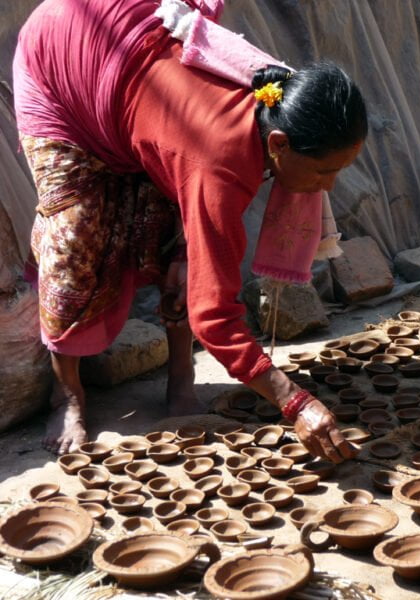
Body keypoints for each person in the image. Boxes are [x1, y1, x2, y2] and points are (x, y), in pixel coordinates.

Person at [13, 0, 368, 460]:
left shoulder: (279, 94)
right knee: (75, 240)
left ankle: (181, 377)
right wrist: (294, 401)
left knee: (179, 240)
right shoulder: (217, 166)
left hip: (144, 79)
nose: (329, 186)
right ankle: (67, 394)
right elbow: (214, 316)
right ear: (278, 145)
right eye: (324, 172)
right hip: (63, 62)